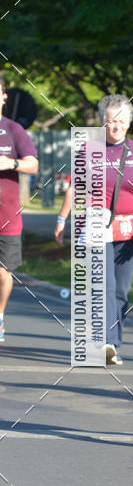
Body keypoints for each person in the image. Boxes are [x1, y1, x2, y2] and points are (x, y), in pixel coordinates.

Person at [55, 94, 133, 363]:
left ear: (128, 123)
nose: (115, 126)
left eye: (121, 121)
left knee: (122, 290)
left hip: (130, 230)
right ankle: (107, 343)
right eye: (111, 121)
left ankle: (111, 339)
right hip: (97, 225)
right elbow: (74, 187)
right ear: (102, 122)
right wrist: (61, 219)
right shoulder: (89, 150)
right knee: (105, 285)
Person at [0, 72, 39, 342]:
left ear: (3, 97)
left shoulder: (13, 129)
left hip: (7, 216)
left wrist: (10, 164)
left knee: (3, 273)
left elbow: (33, 164)